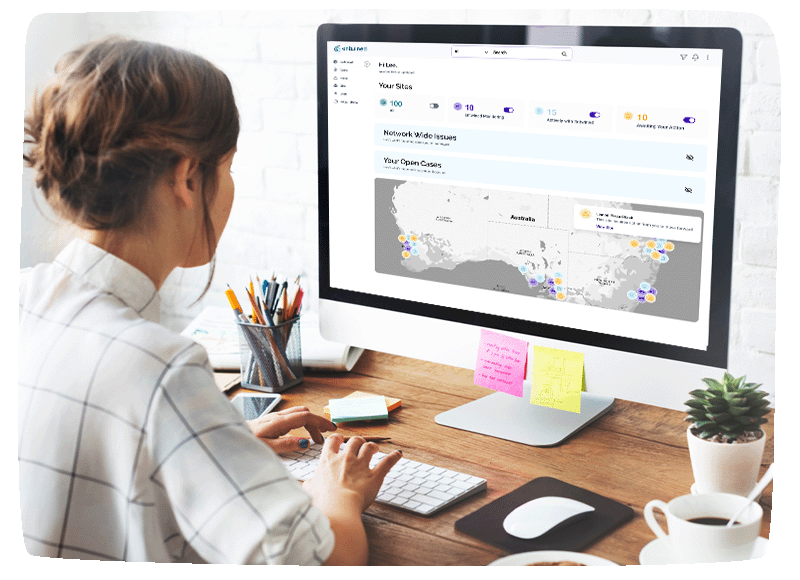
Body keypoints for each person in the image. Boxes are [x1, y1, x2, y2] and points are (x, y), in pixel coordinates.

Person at [19, 36, 401, 565]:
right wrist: (341, 492)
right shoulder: (158, 369)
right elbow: (318, 565)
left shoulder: (19, 300)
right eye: (227, 166)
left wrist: (212, 444)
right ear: (186, 176)